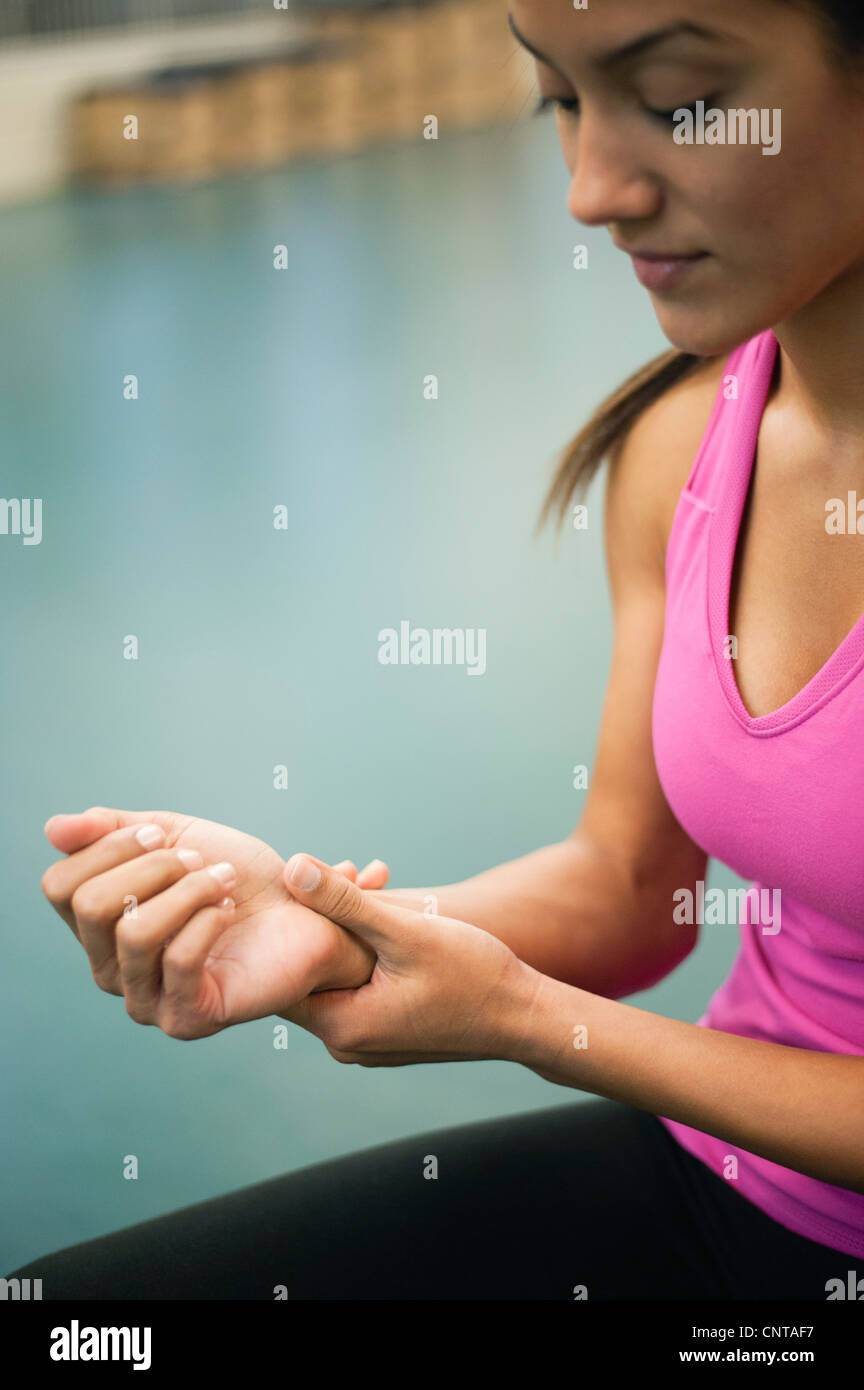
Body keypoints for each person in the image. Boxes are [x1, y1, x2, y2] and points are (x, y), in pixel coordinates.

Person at [8, 0, 864, 1299]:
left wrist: (531, 1021)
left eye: (683, 102)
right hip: (733, 1179)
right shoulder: (687, 444)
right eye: (561, 100)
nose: (591, 191)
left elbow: (564, 993)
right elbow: (633, 886)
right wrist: (324, 926)